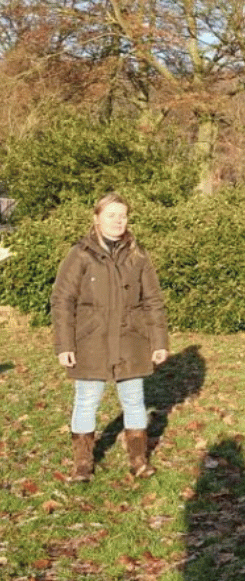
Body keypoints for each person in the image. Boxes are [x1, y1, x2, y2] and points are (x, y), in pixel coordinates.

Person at [51, 193, 169, 481]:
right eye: (111, 215)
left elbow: (153, 300)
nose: (118, 221)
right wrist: (64, 344)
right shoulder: (79, 254)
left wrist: (159, 341)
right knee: (86, 400)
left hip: (132, 338)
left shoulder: (138, 255)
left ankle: (138, 460)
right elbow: (62, 300)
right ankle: (83, 464)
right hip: (90, 340)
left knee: (134, 400)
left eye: (123, 215)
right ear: (96, 219)